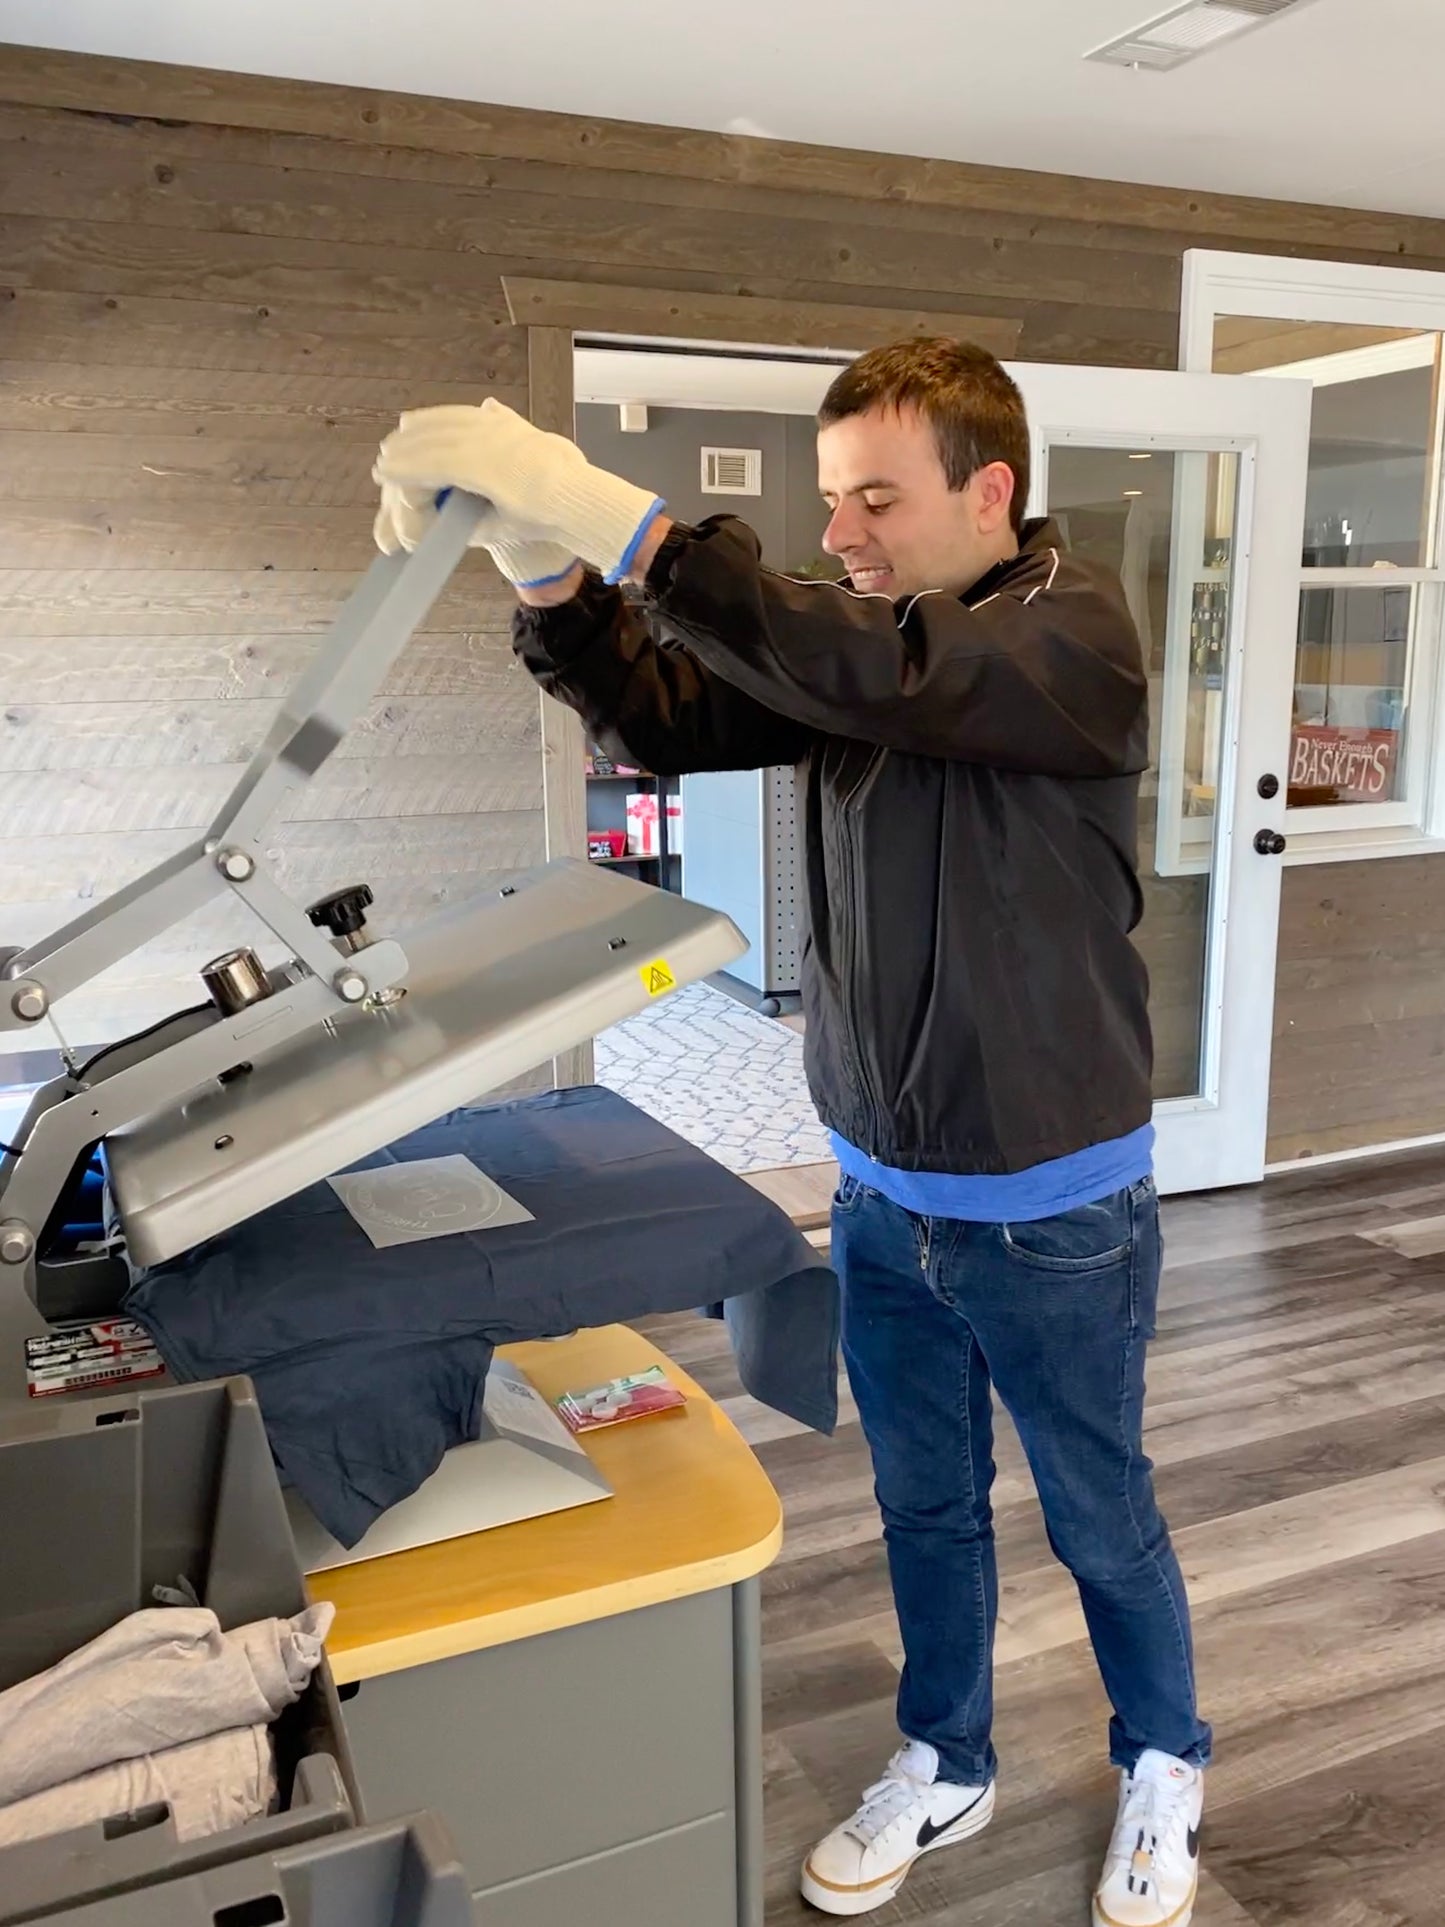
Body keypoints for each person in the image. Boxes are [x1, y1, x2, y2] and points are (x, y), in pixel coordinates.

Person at [371, 337, 1212, 1927]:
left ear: (991, 491)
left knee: (1101, 1514)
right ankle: (943, 1754)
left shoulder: (1066, 639)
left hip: (1054, 1210)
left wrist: (625, 520)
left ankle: (1164, 1757)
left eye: (873, 500)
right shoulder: (876, 661)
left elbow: (879, 662)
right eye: (830, 503)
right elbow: (668, 721)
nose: (840, 535)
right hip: (885, 1198)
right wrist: (553, 578)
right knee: (925, 1504)